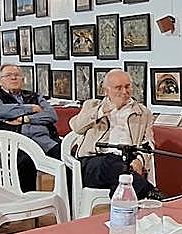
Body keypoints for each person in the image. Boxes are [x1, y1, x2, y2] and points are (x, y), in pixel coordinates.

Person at [69, 69, 161, 200]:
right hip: (94, 162)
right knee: (112, 162)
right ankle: (150, 192)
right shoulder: (92, 106)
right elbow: (76, 127)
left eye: (127, 86)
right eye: (118, 88)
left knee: (121, 177)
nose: (124, 92)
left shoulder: (143, 113)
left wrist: (140, 160)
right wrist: (101, 111)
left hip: (127, 161)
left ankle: (122, 213)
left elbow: (148, 143)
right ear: (106, 90)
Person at [0, 64, 61, 158]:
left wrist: (26, 119)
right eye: (8, 75)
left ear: (23, 80)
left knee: (69, 156)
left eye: (17, 75)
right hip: (15, 144)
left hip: (47, 138)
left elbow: (51, 115)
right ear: (0, 81)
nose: (13, 78)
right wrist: (31, 108)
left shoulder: (34, 96)